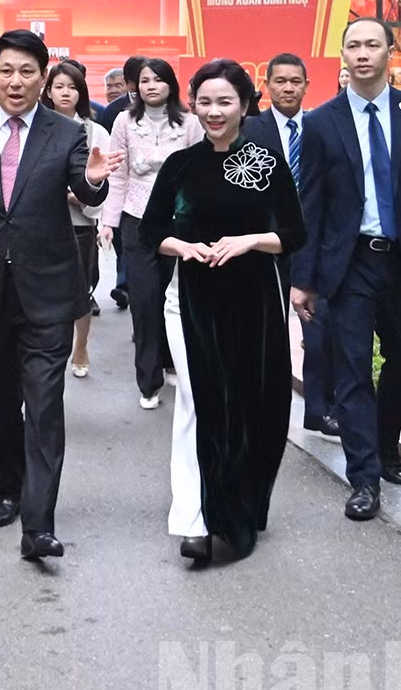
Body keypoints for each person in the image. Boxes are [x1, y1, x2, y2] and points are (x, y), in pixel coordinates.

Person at [0, 29, 119, 561]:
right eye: (6, 70)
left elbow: (86, 184)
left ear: (44, 78)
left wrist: (96, 182)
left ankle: (39, 523)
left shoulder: (67, 133)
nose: (15, 81)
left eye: (27, 72)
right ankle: (7, 486)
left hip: (48, 290)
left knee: (45, 402)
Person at [291, 17, 401, 522]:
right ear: (342, 54)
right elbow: (312, 205)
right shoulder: (322, 121)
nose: (363, 53)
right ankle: (364, 477)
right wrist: (304, 279)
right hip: (349, 265)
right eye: (353, 46)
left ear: (392, 50)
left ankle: (387, 445)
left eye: (372, 44)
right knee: (351, 371)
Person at [139, 60, 306, 565]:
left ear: (244, 105)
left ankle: (240, 506)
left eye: (225, 102)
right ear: (192, 102)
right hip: (190, 300)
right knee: (197, 400)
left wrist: (249, 240)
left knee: (251, 404)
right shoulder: (181, 165)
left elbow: (294, 234)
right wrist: (183, 248)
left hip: (254, 299)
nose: (214, 111)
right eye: (205, 101)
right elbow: (151, 232)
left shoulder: (266, 162)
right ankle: (193, 519)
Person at [240, 52, 335, 441]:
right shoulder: (249, 130)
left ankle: (318, 411)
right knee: (265, 330)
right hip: (265, 245)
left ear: (306, 85)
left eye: (296, 81)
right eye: (280, 81)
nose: (288, 88)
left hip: (314, 244)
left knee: (319, 331)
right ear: (267, 85)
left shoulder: (322, 129)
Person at [102, 57, 200, 409]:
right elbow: (117, 175)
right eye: (145, 80)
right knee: (144, 301)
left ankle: (172, 359)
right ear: (136, 86)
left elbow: (200, 175)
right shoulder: (124, 122)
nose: (151, 86)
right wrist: (109, 223)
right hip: (137, 220)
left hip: (179, 221)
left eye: (158, 80)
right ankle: (149, 379)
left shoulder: (190, 124)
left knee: (175, 298)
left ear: (171, 84)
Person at [44, 61, 108, 377]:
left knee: (80, 291)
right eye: (59, 86)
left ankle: (80, 345)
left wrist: (80, 193)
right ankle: (49, 348)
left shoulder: (95, 131)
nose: (66, 92)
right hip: (40, 221)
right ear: (48, 91)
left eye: (72, 87)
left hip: (79, 223)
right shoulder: (35, 126)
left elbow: (103, 181)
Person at [96, 56, 146, 134]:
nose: (113, 90)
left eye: (118, 85)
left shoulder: (164, 105)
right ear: (127, 82)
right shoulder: (111, 110)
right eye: (109, 86)